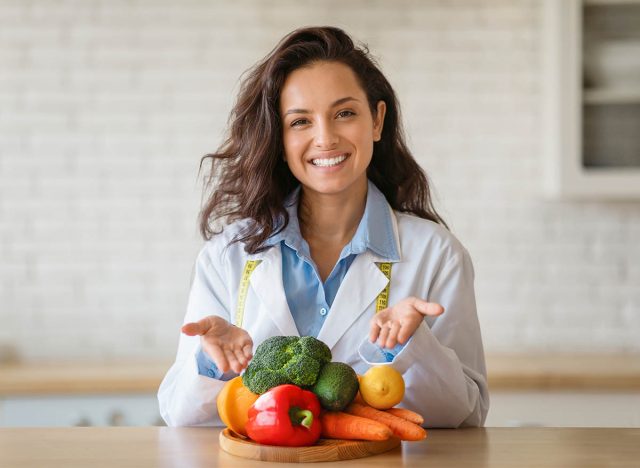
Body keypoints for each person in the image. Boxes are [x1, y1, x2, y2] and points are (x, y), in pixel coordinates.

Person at [158, 26, 489, 428]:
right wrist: (215, 363)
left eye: (344, 113)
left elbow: (466, 415)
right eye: (300, 121)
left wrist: (411, 344)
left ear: (377, 121)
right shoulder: (228, 255)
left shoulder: (437, 254)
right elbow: (178, 414)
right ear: (279, 138)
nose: (325, 138)